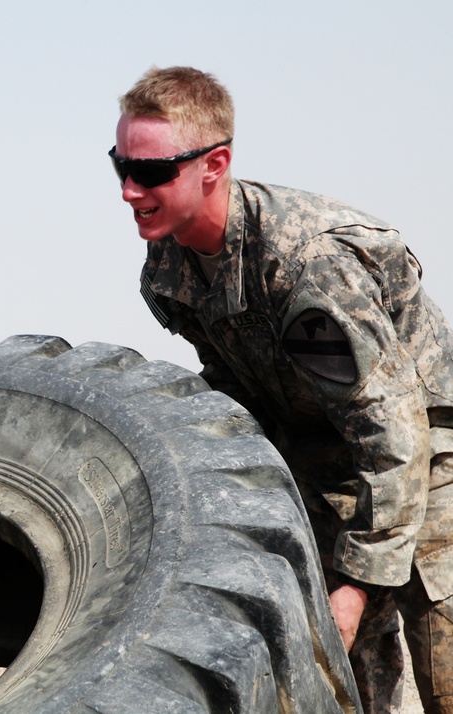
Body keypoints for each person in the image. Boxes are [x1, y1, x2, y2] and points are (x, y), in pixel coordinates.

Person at [113, 66, 453, 714]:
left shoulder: (305, 262)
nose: (130, 190)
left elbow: (394, 431)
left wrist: (356, 586)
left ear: (214, 164)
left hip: (427, 454)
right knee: (334, 673)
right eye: (120, 166)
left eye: (152, 172)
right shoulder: (166, 271)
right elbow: (237, 400)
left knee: (444, 670)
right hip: (323, 449)